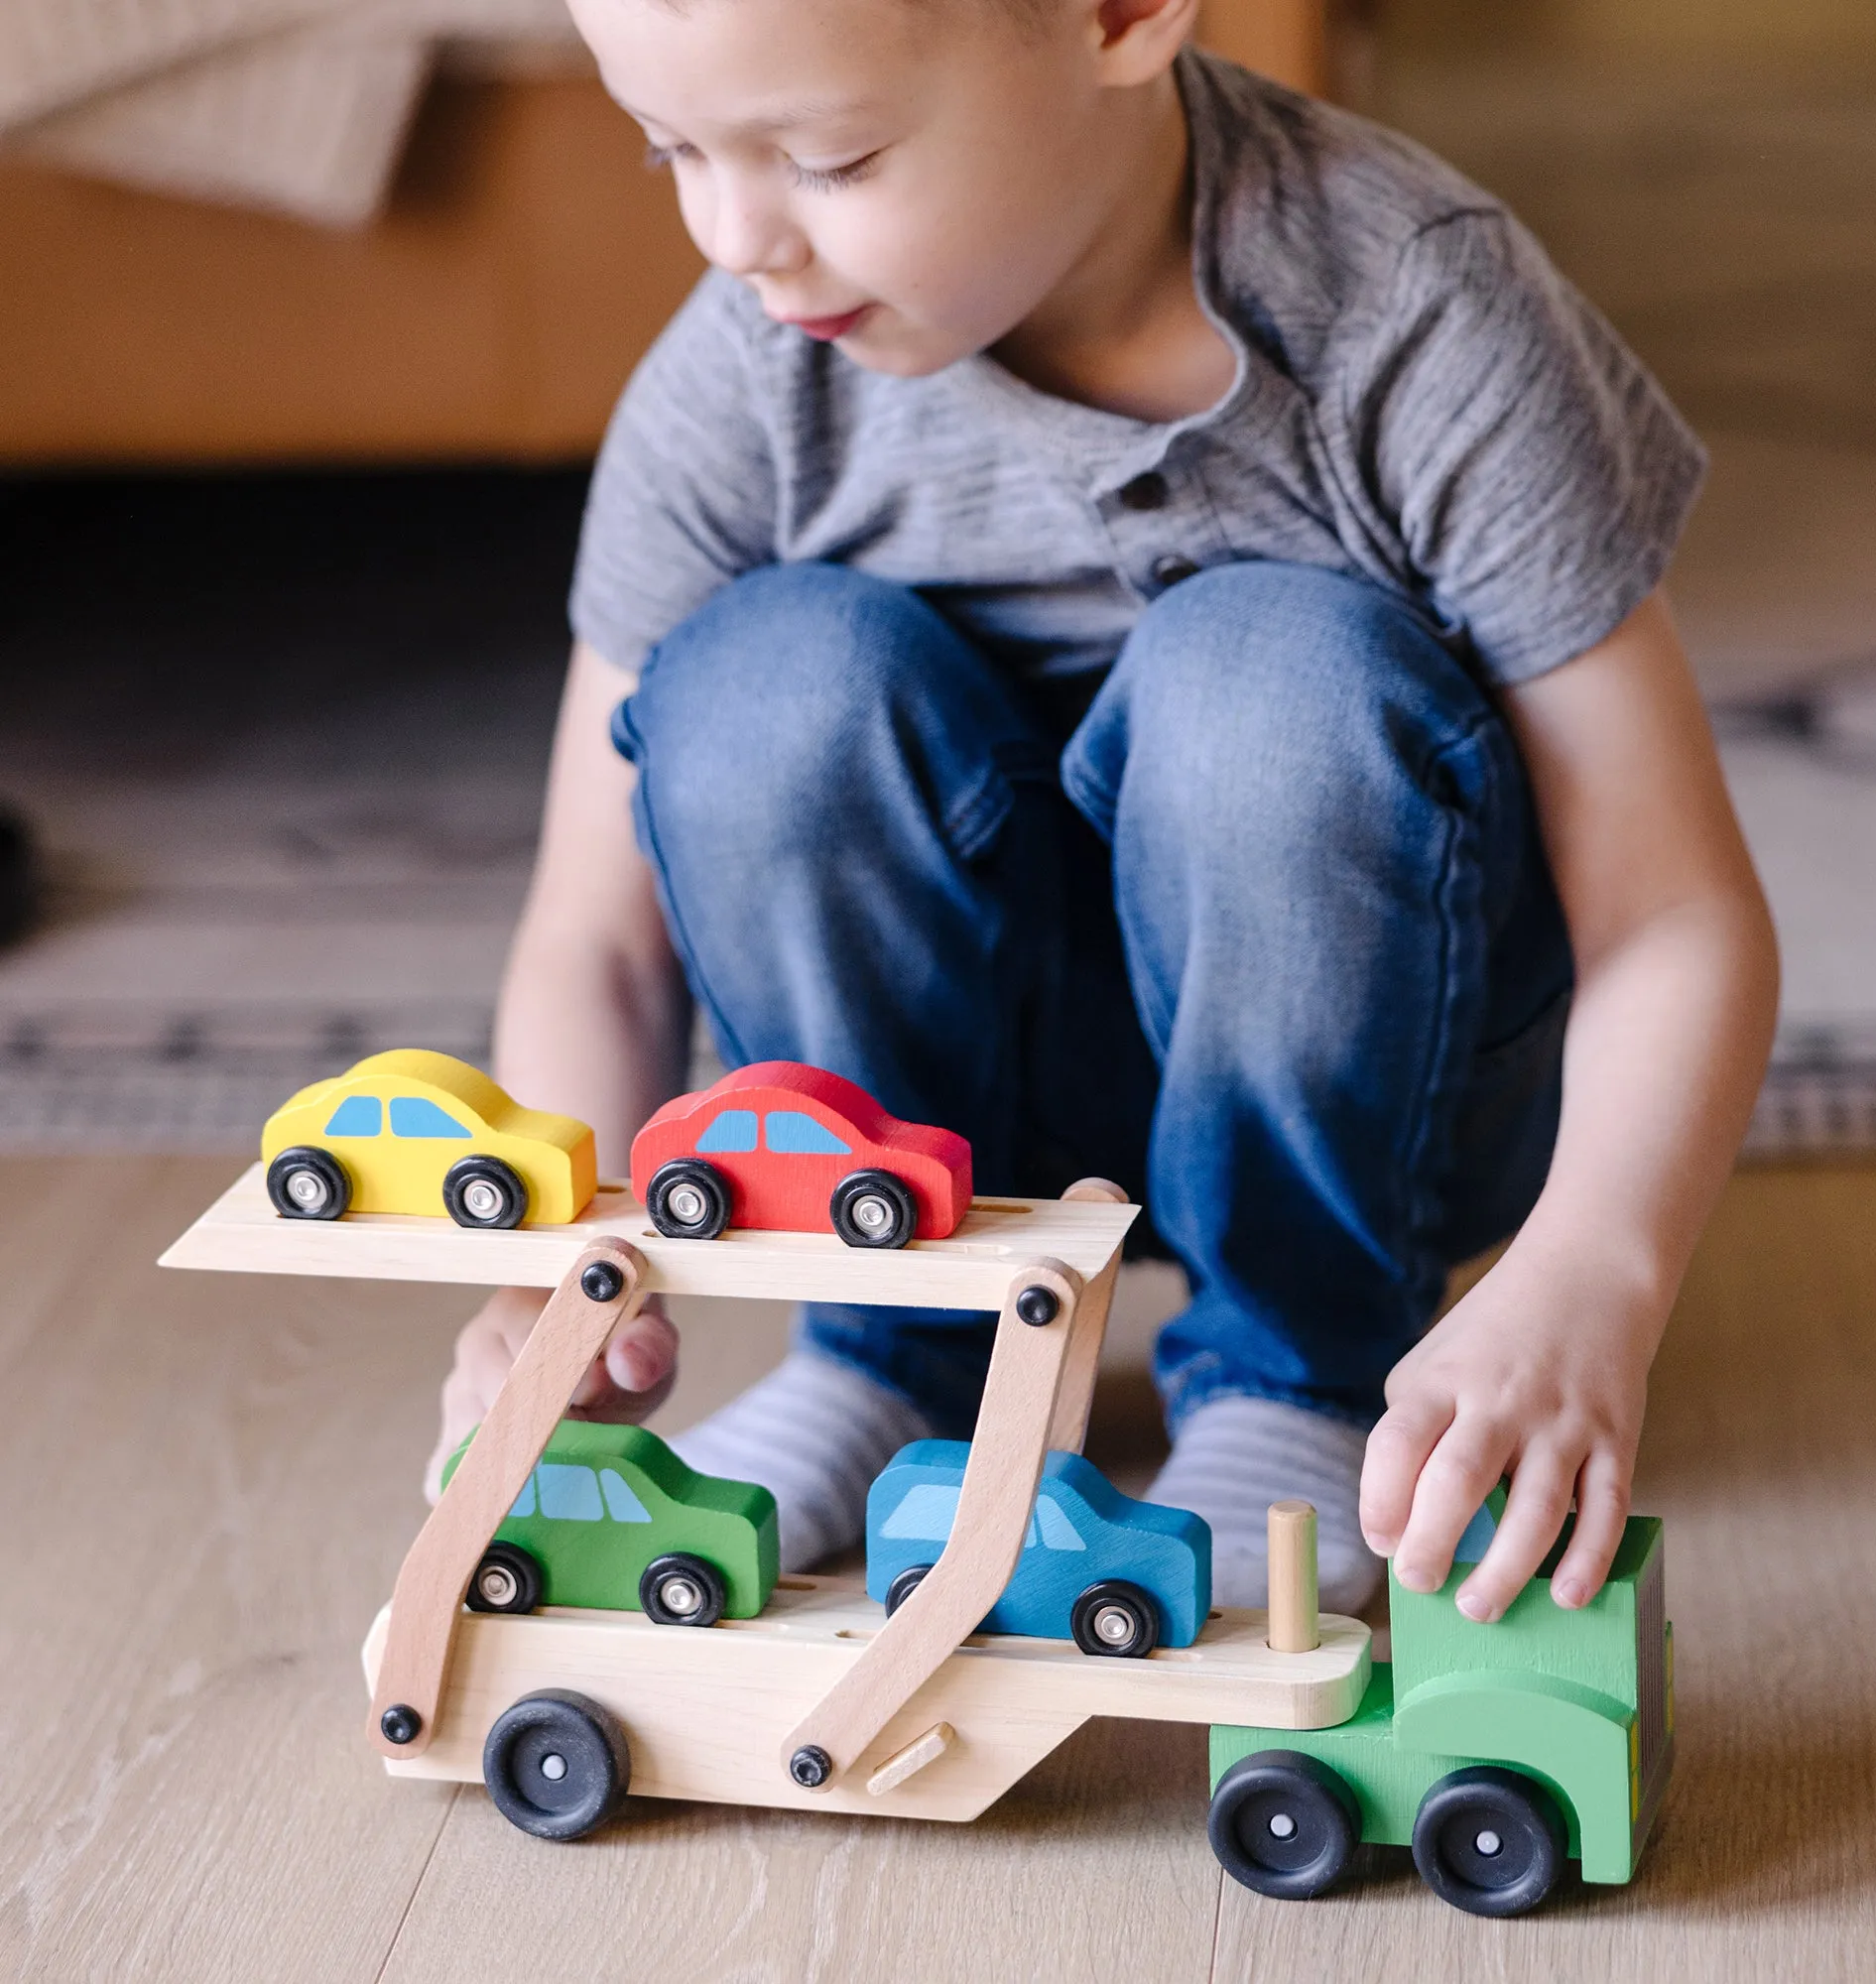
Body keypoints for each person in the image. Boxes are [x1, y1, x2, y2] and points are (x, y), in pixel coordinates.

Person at [429, 0, 1779, 1621]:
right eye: (671, 154)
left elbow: (1673, 910)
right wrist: (544, 1279)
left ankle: (1299, 1374)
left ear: (1124, 15)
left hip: (1370, 1067)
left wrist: (1592, 1281)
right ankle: (891, 1347)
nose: (734, 239)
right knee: (763, 685)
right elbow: (597, 940)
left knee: (1266, 674)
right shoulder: (740, 385)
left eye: (827, 157)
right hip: (931, 1124)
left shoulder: (1415, 308)